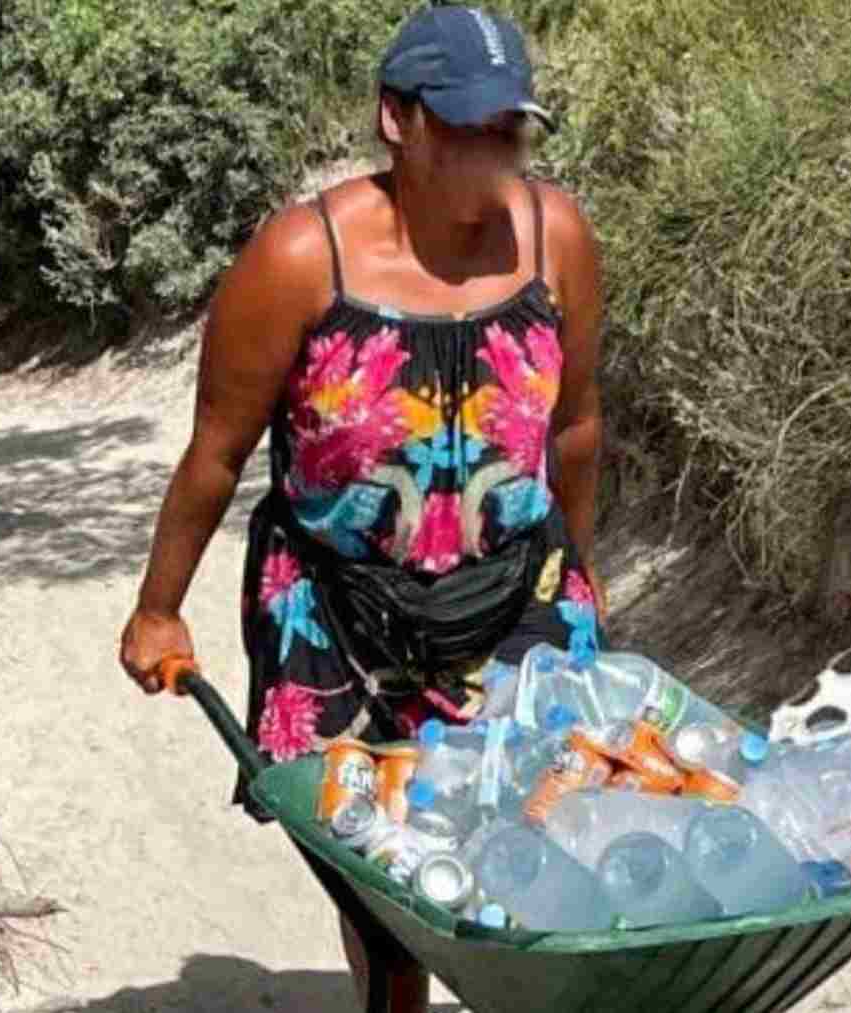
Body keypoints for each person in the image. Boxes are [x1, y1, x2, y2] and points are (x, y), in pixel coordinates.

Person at [118, 5, 606, 1011]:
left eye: (509, 128)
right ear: (398, 118)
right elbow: (216, 453)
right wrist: (160, 606)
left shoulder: (555, 237)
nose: (495, 153)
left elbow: (577, 427)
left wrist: (584, 579)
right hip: (339, 616)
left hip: (519, 596)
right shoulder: (299, 261)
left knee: (549, 851)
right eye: (467, 127)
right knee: (389, 905)